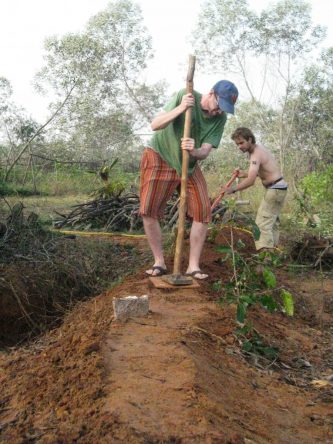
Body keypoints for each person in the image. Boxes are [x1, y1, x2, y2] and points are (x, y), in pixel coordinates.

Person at [140, 80, 238, 279]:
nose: (219, 112)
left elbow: (205, 151)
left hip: (189, 164)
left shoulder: (220, 119)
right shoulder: (185, 95)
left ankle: (193, 266)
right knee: (148, 210)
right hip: (160, 155)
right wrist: (182, 108)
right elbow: (155, 124)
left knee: (203, 211)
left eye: (225, 109)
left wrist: (194, 151)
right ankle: (159, 262)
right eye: (219, 106)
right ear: (211, 93)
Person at [222, 127, 288, 251]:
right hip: (279, 188)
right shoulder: (257, 150)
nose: (239, 146)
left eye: (241, 143)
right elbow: (263, 171)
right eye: (237, 144)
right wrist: (244, 174)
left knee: (261, 224)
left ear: (250, 139)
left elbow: (251, 181)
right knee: (272, 222)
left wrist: (233, 189)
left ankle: (265, 258)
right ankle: (273, 253)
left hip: (275, 189)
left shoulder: (255, 154)